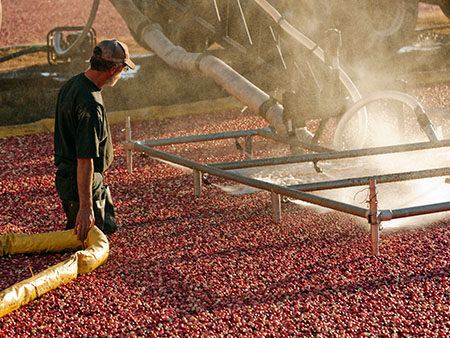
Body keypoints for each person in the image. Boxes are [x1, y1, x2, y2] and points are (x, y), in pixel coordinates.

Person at [54, 39, 136, 241]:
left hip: (70, 180)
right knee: (89, 241)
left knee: (94, 233)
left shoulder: (72, 85)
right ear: (113, 69)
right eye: (123, 69)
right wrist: (86, 207)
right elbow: (85, 159)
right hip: (81, 184)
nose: (121, 74)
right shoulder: (90, 103)